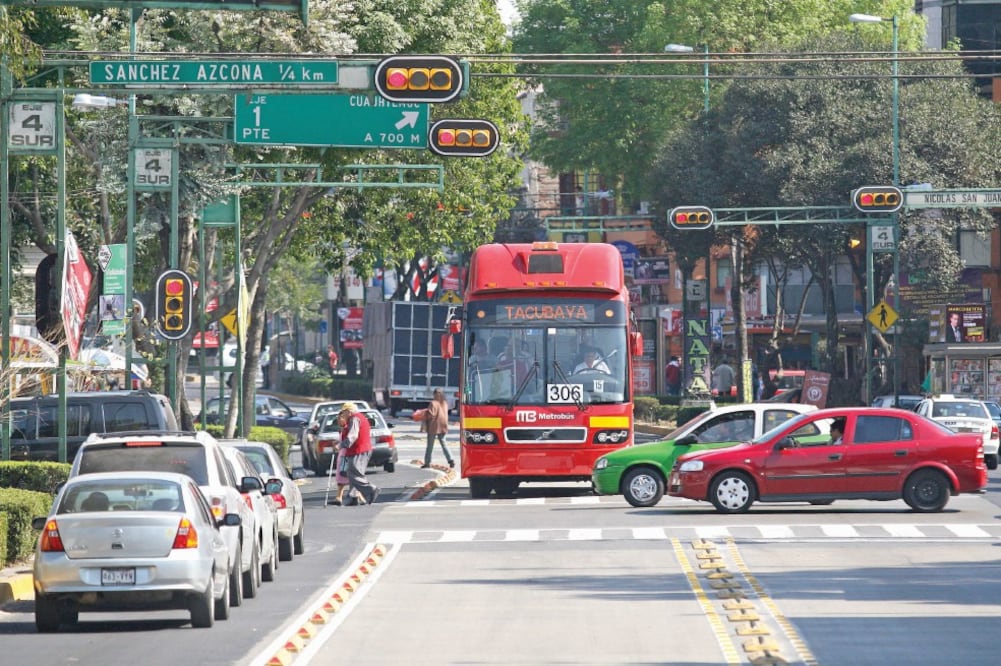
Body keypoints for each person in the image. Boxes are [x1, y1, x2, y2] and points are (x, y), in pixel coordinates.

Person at [338, 402, 380, 505]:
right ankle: (353, 496)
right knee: (354, 472)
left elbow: (353, 435)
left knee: (353, 474)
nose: (343, 415)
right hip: (360, 449)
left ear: (349, 411)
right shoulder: (358, 417)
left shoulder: (354, 418)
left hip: (359, 450)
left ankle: (371, 489)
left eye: (344, 412)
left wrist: (342, 445)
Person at [330, 411, 363, 506]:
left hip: (346, 455)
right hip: (343, 455)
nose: (339, 421)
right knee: (344, 476)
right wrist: (337, 442)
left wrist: (338, 445)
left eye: (341, 418)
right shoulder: (344, 429)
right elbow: (343, 440)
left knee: (346, 476)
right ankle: (341, 497)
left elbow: (349, 441)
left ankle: (356, 497)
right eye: (338, 419)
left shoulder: (348, 428)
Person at [423, 388, 456, 469]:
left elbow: (431, 414)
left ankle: (427, 462)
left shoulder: (433, 403)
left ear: (434, 394)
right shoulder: (444, 403)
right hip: (443, 426)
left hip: (433, 426)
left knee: (430, 446)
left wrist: (424, 414)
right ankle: (451, 460)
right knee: (444, 444)